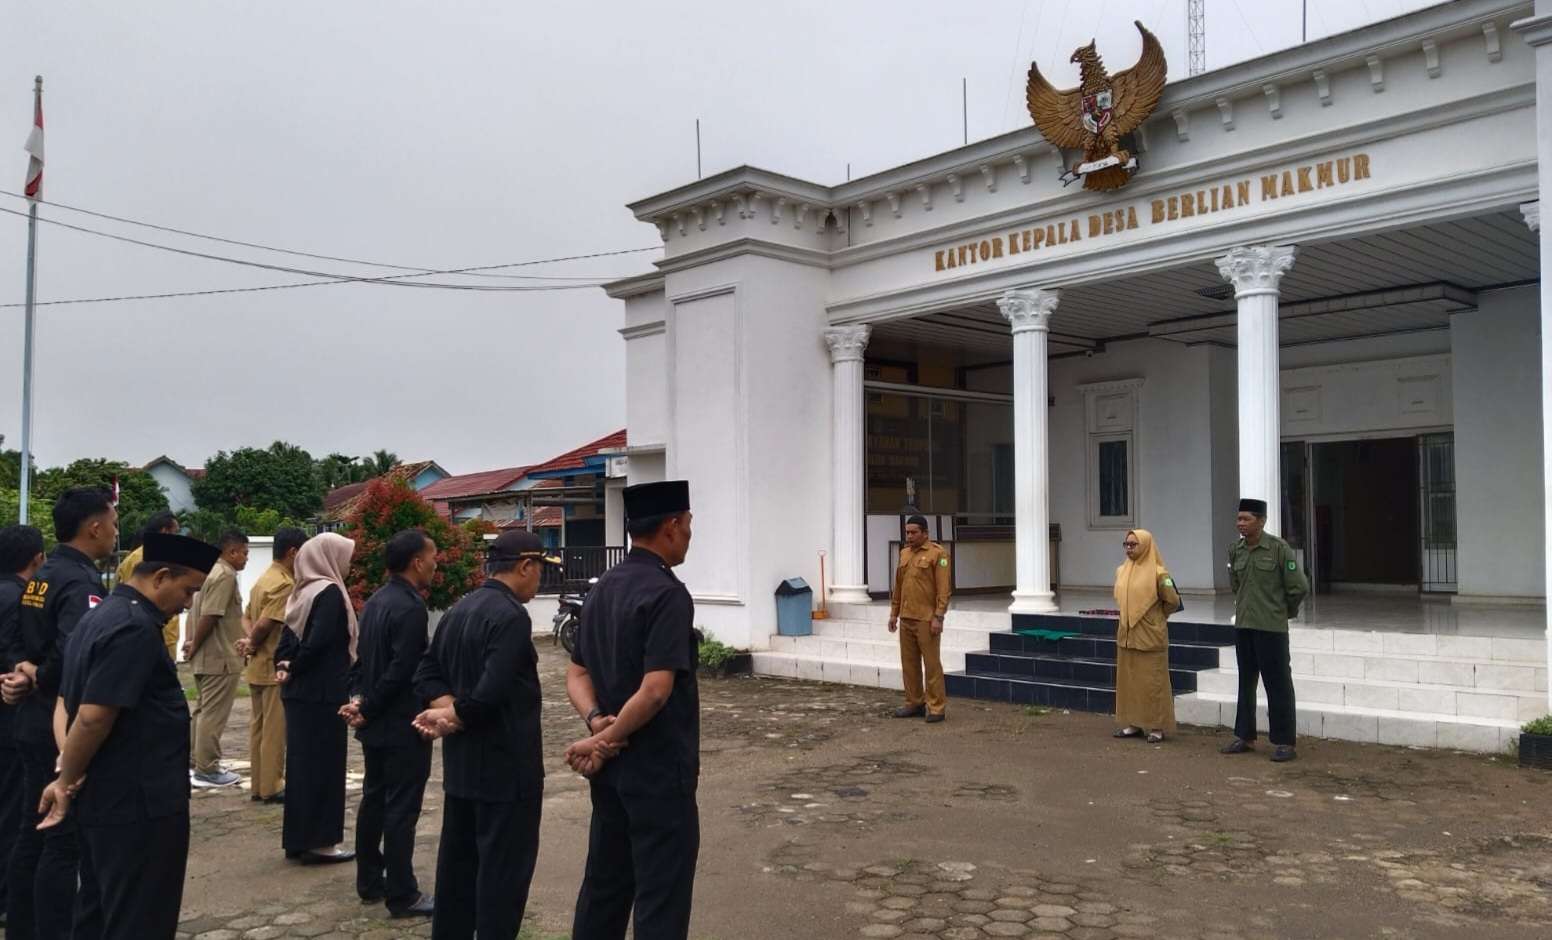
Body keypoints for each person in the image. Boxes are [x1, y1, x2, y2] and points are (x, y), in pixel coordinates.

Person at [39, 533, 219, 940]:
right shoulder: (133, 627)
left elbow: (65, 702)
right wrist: (66, 779)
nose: (189, 603)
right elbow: (92, 717)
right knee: (140, 918)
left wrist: (67, 764)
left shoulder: (98, 616)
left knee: (99, 911)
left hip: (109, 801)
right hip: (139, 805)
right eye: (188, 590)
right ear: (160, 577)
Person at [565, 480, 699, 940]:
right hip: (658, 771)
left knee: (605, 886)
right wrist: (606, 736)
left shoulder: (605, 587)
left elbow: (576, 673)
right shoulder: (666, 594)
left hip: (611, 775)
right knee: (660, 896)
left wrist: (596, 723)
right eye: (688, 525)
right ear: (671, 526)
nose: (688, 536)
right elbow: (657, 690)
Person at [411, 530, 558, 939]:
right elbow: (490, 694)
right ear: (526, 567)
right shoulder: (510, 616)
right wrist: (455, 714)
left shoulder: (462, 608)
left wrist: (446, 711)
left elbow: (426, 673)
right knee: (501, 882)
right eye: (540, 571)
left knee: (458, 875)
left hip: (463, 769)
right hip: (506, 772)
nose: (540, 581)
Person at [2, 487, 116, 940]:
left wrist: (27, 671)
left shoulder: (44, 574)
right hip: (57, 722)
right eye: (112, 523)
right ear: (93, 526)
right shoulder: (79, 582)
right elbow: (78, 655)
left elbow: (28, 642)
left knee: (33, 832)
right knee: (61, 837)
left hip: (32, 715)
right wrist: (39, 674)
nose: (114, 532)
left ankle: (24, 925)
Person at [343, 529, 437, 918]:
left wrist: (360, 701)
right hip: (402, 722)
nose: (436, 563)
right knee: (401, 809)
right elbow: (402, 669)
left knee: (375, 799)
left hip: (377, 721)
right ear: (416, 561)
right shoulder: (411, 606)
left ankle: (369, 881)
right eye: (433, 556)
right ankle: (403, 893)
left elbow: (361, 662)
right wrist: (369, 705)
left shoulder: (376, 601)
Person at [275, 533, 357, 864]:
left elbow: (287, 639)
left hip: (299, 694)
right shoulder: (329, 593)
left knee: (301, 767)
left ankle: (299, 839)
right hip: (323, 694)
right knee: (323, 768)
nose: (349, 564)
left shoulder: (301, 592)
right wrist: (296, 665)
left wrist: (285, 665)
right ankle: (321, 842)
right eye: (345, 556)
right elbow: (320, 641)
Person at [1220, 498, 1309, 763]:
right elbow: (1236, 584)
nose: (1240, 524)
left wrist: (1283, 612)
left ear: (1261, 521)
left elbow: (1299, 587)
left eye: (1246, 519)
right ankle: (1244, 736)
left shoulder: (1278, 549)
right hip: (1245, 625)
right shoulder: (1236, 550)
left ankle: (1284, 741)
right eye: (1238, 519)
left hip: (1271, 628)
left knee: (1278, 683)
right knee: (1246, 682)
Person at [238, 527, 307, 804]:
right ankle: (272, 785)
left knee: (258, 729)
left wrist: (249, 641)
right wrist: (254, 641)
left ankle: (258, 785)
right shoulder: (284, 583)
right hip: (271, 665)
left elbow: (246, 616)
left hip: (257, 665)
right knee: (274, 732)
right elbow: (268, 623)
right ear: (293, 552)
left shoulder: (263, 579)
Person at [0, 525, 45, 933]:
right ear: (36, 560)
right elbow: (19, 660)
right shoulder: (20, 600)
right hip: (12, 718)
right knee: (15, 811)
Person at [185, 529, 249, 788]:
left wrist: (192, 644)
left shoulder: (209, 571)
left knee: (201, 712)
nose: (245, 558)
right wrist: (194, 644)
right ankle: (207, 768)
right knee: (212, 715)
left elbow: (197, 613)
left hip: (206, 656)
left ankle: (194, 760)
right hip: (220, 656)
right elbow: (211, 615)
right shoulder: (225, 575)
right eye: (244, 553)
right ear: (231, 552)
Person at [1111, 529, 1181, 744]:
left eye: (1134, 544)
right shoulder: (1121, 570)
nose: (1130, 549)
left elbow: (1173, 601)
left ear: (1146, 545)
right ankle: (1133, 723)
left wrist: (1158, 618)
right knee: (1130, 681)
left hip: (1150, 635)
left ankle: (1156, 726)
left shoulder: (1160, 573)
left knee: (1153, 682)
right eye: (1127, 544)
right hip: (1127, 634)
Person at [888, 515, 952, 723]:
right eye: (907, 532)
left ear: (925, 533)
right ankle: (914, 702)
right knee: (909, 664)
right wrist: (893, 613)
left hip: (927, 619)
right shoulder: (904, 553)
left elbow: (944, 590)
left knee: (932, 665)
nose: (909, 536)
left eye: (914, 532)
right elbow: (899, 586)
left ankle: (936, 707)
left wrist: (939, 616)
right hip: (907, 617)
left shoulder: (938, 554)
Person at [114, 512, 182, 661]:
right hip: (155, 632)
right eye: (176, 532)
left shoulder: (131, 557)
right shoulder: (153, 556)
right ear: (165, 531)